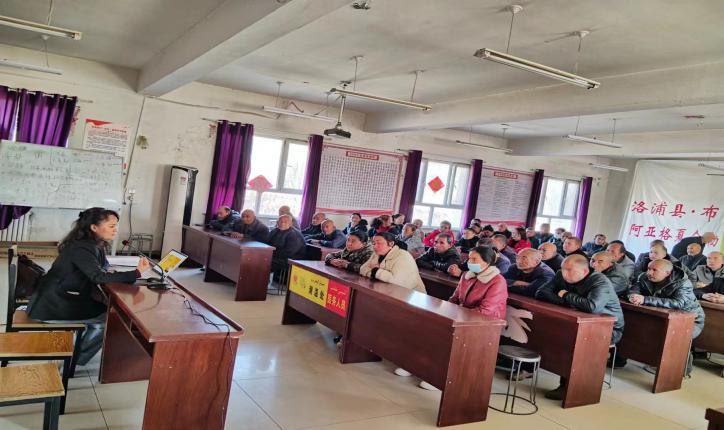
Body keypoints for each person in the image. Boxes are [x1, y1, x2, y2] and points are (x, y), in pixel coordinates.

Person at [27, 208, 151, 365]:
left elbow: (101, 269)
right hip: (52, 306)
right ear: (94, 227)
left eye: (116, 226)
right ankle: (75, 360)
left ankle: (76, 354)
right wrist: (137, 273)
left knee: (107, 311)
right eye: (111, 226)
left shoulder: (92, 244)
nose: (115, 230)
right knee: (108, 320)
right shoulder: (83, 248)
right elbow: (98, 277)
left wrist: (124, 274)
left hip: (59, 298)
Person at [536, 255, 625, 399]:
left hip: (607, 329)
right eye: (563, 269)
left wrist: (566, 294)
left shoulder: (600, 281)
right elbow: (541, 292)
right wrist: (568, 302)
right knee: (545, 330)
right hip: (578, 321)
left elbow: (592, 307)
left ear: (584, 271)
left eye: (569, 270)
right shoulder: (560, 274)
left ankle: (570, 387)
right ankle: (529, 367)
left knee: (569, 340)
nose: (564, 273)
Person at [629, 259, 705, 375]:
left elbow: (678, 303)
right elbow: (634, 290)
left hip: (690, 320)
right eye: (649, 269)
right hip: (663, 315)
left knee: (677, 339)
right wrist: (633, 296)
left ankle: (682, 371)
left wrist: (645, 299)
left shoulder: (683, 282)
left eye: (655, 270)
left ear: (667, 273)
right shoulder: (644, 277)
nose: (649, 272)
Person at [360, 232, 425, 292]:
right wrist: (375, 274)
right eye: (373, 243)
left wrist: (376, 271)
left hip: (411, 294)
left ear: (391, 243)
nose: (375, 246)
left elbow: (397, 281)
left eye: (379, 243)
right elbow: (362, 269)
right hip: (386, 290)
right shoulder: (376, 254)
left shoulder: (403, 256)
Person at [267, 215, 306, 281]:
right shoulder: (275, 230)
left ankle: (261, 283)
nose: (282, 223)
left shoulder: (294, 234)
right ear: (277, 222)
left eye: (285, 222)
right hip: (277, 256)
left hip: (291, 259)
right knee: (260, 258)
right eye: (280, 221)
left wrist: (270, 254)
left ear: (290, 223)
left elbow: (289, 253)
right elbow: (266, 241)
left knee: (264, 261)